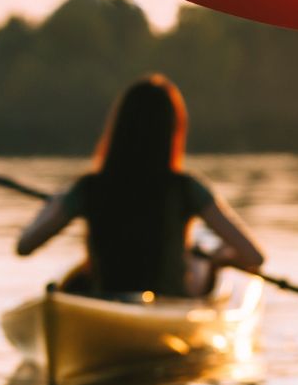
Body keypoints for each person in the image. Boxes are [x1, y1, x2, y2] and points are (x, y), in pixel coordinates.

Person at [17, 74, 264, 297]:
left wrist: (54, 207)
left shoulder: (88, 188)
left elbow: (24, 246)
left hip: (108, 299)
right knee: (201, 260)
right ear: (172, 132)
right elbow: (254, 256)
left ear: (119, 128)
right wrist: (219, 259)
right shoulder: (186, 188)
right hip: (170, 301)